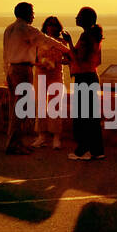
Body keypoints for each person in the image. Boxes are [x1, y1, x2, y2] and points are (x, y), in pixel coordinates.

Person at [3, 2, 70, 155]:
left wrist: (6, 72)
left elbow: (5, 54)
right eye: (32, 12)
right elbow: (47, 40)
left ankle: (14, 142)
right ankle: (14, 145)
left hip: (12, 69)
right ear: (26, 13)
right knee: (21, 109)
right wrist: (67, 50)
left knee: (15, 108)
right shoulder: (26, 29)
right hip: (22, 70)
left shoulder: (9, 29)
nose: (33, 15)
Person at [67, 6, 105, 161]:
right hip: (92, 76)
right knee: (92, 116)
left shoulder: (85, 36)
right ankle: (97, 150)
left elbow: (79, 59)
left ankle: (83, 150)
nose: (76, 17)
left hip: (84, 78)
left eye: (79, 16)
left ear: (85, 19)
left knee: (82, 117)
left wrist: (69, 43)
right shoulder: (96, 36)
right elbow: (97, 60)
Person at [31, 16, 72, 149]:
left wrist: (58, 62)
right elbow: (32, 58)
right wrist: (41, 64)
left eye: (54, 25)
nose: (52, 27)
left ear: (58, 27)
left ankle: (56, 137)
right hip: (41, 74)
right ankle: (42, 136)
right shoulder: (39, 41)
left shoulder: (61, 42)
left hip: (56, 75)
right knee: (41, 105)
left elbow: (69, 59)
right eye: (50, 24)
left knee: (55, 105)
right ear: (45, 26)